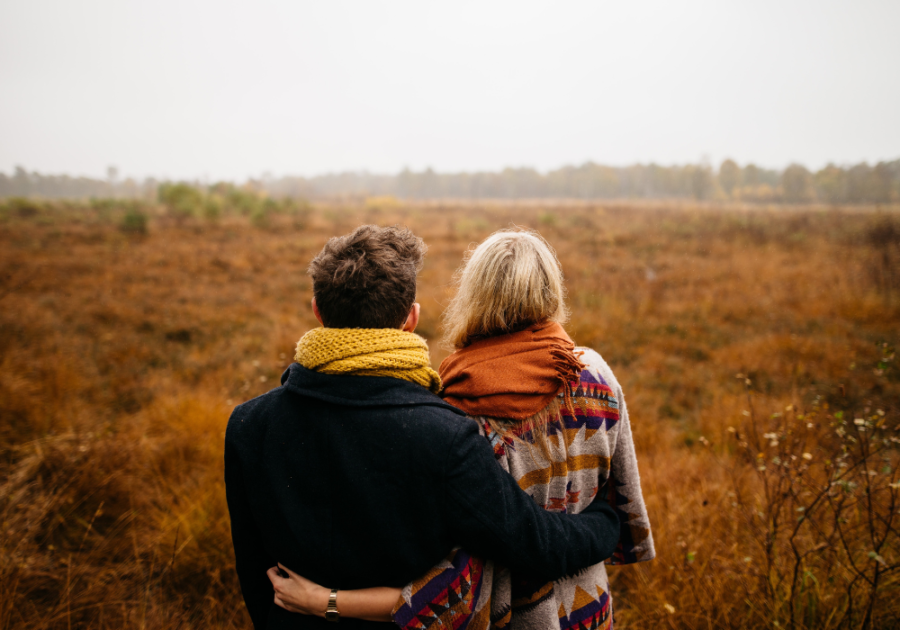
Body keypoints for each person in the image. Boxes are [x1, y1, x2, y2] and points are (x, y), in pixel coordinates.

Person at [224, 225, 622, 629]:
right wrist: (606, 523)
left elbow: (255, 575)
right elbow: (534, 544)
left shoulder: (247, 425)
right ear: (411, 318)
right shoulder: (445, 434)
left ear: (317, 310)